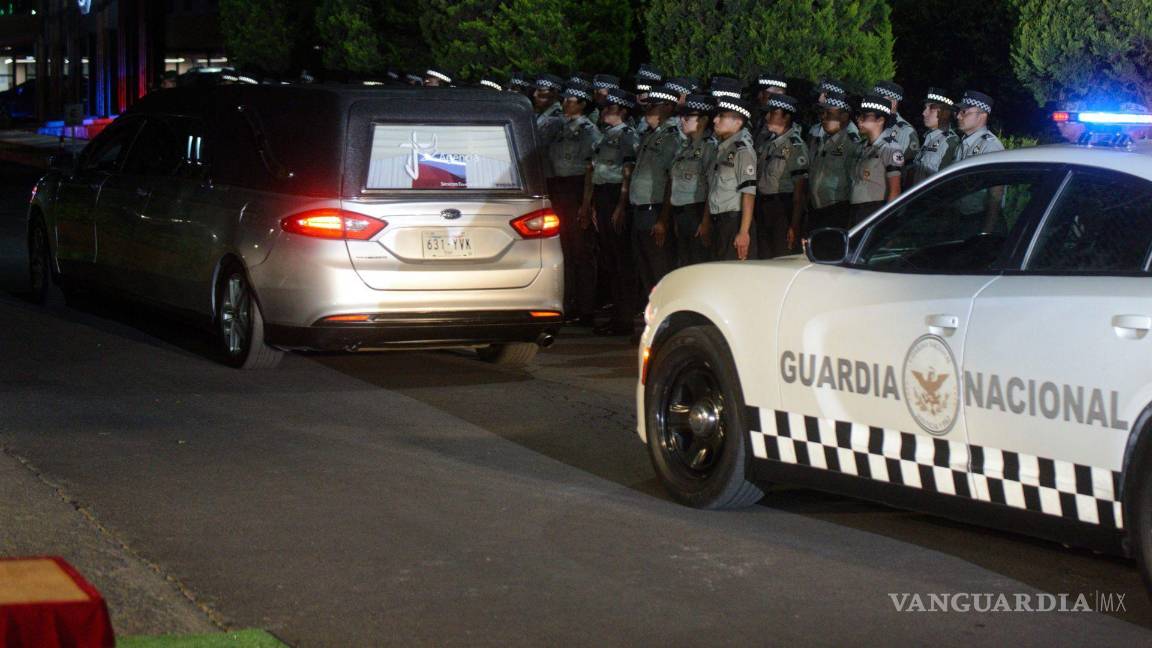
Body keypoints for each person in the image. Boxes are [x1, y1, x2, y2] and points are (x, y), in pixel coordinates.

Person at [583, 88, 640, 336]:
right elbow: (595, 170)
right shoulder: (606, 135)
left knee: (621, 260)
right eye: (605, 107)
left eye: (611, 107)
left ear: (623, 111)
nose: (605, 111)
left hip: (616, 195)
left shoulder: (627, 135)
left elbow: (627, 172)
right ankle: (617, 316)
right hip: (603, 194)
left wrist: (621, 205)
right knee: (610, 259)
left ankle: (624, 318)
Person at [548, 80, 602, 325]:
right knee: (565, 250)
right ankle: (569, 303)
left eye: (570, 101)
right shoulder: (561, 127)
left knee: (581, 252)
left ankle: (586, 307)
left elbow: (591, 169)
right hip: (559, 189)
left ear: (582, 104)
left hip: (577, 189)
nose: (565, 104)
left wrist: (586, 204)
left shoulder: (589, 131)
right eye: (565, 100)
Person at [629, 85, 682, 304]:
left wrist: (663, 219)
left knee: (660, 269)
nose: (648, 110)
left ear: (668, 107)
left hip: (656, 210)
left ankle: (665, 314)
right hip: (640, 209)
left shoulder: (672, 137)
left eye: (653, 106)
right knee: (646, 270)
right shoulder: (652, 135)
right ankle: (652, 314)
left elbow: (672, 179)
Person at [667, 94, 718, 267]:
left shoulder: (709, 146)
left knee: (698, 263)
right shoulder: (684, 146)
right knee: (684, 261)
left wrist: (705, 221)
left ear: (703, 120)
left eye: (688, 117)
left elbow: (712, 186)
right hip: (681, 212)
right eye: (682, 116)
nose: (682, 120)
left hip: (697, 212)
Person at [704, 98, 758, 261]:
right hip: (718, 222)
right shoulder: (721, 149)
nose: (715, 120)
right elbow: (712, 188)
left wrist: (743, 232)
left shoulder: (742, 150)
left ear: (738, 122)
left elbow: (749, 192)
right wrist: (706, 220)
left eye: (721, 116)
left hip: (734, 222)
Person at [755, 94, 809, 257]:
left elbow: (800, 191)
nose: (767, 117)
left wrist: (794, 224)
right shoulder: (768, 143)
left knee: (782, 256)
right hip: (763, 206)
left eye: (773, 113)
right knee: (765, 256)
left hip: (783, 208)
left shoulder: (795, 146)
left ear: (786, 117)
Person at [849, 94, 905, 225]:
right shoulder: (862, 147)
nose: (859, 120)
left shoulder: (890, 148)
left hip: (874, 211)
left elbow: (895, 191)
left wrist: (886, 222)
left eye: (865, 116)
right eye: (859, 116)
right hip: (856, 210)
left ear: (880, 120)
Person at [807, 90, 858, 232]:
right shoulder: (824, 138)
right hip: (816, 209)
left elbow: (854, 183)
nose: (823, 117)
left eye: (829, 114)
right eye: (822, 113)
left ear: (844, 116)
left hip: (837, 212)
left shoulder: (851, 143)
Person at [906, 87, 960, 186]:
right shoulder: (929, 137)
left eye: (931, 108)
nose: (924, 113)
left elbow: (943, 184)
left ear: (945, 113)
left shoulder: (950, 142)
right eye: (925, 108)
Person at [871, 80, 920, 162]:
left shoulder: (905, 131)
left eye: (879, 99)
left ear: (893, 103)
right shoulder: (875, 123)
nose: (874, 102)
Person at [952, 90, 1005, 163]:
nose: (958, 116)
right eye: (959, 111)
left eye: (964, 112)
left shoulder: (990, 147)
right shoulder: (963, 141)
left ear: (982, 116)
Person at [752, 71, 788, 149]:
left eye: (764, 93)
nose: (759, 96)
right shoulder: (759, 117)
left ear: (779, 94)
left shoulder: (782, 125)